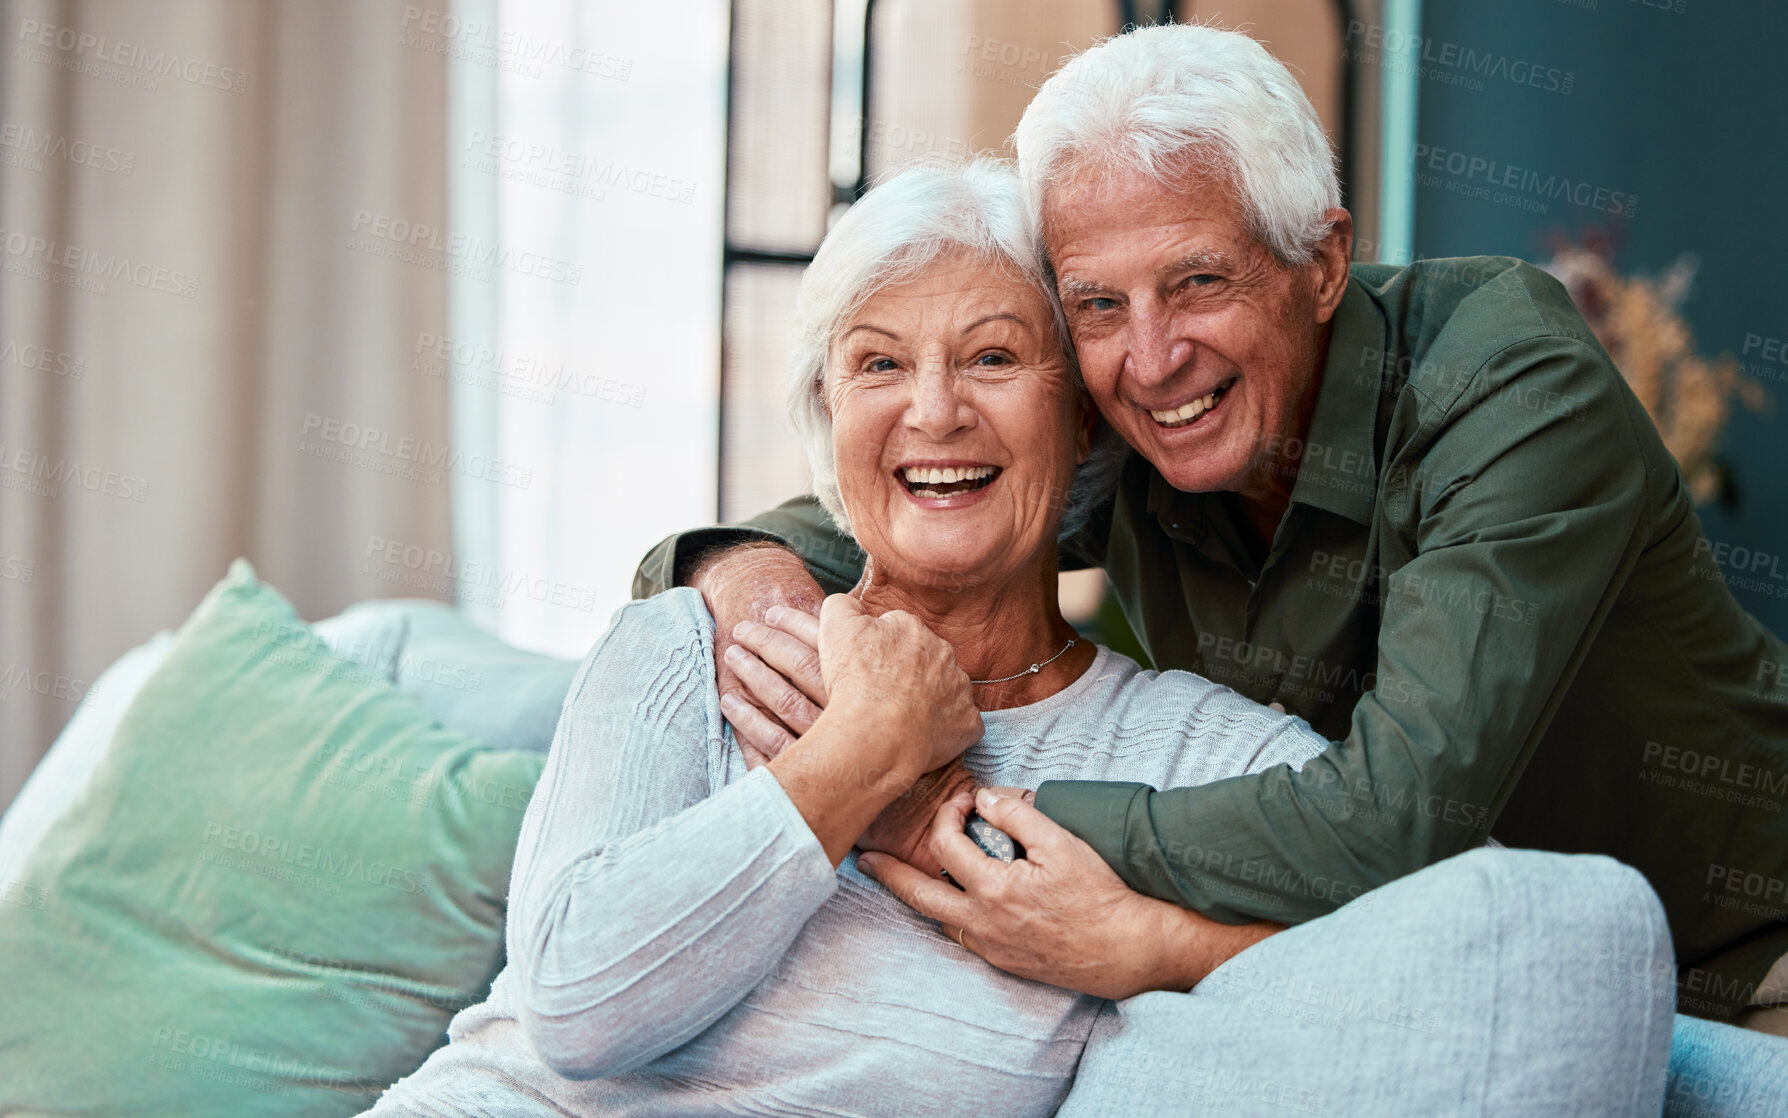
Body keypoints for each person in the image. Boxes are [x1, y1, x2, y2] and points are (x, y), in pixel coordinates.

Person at [363, 163, 1671, 1117]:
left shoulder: (1203, 755)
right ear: (828, 430)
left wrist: (1150, 944)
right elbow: (582, 1006)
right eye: (878, 366)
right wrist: (865, 750)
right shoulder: (693, 648)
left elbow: (1488, 952)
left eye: (993, 359)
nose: (934, 411)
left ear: (1087, 426)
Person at [638, 23, 1788, 1034]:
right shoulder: (1131, 422)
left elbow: (1397, 815)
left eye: (1197, 282)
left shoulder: (1504, 378)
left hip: (1750, 962)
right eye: (1097, 303)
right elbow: (916, 492)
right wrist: (747, 582)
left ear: (1322, 262)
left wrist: (975, 815)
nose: (1150, 358)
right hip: (1437, 967)